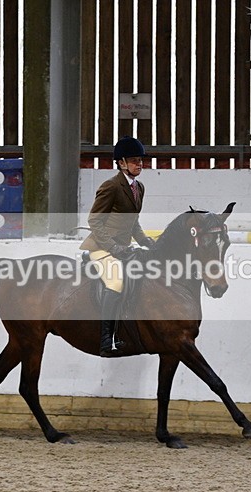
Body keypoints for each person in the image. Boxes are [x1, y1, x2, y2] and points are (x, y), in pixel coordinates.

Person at [80, 136, 156, 356]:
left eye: (141, 161)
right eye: (134, 161)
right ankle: (106, 340)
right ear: (121, 163)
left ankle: (126, 332)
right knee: (115, 283)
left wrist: (145, 241)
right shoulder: (111, 186)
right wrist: (113, 247)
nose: (139, 164)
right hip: (102, 248)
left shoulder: (139, 187)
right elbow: (94, 221)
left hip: (124, 248)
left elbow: (132, 222)